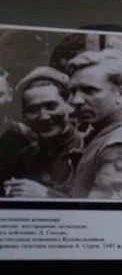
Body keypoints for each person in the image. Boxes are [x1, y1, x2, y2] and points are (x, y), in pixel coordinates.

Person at [64, 49, 122, 199]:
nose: (76, 100)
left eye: (90, 90)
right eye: (73, 92)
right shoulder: (108, 127)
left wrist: (46, 195)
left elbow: (104, 208)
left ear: (121, 94)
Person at [0, 67, 84, 198]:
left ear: (69, 106)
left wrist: (47, 195)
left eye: (51, 106)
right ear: (24, 116)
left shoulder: (88, 149)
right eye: (33, 109)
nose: (44, 116)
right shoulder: (25, 158)